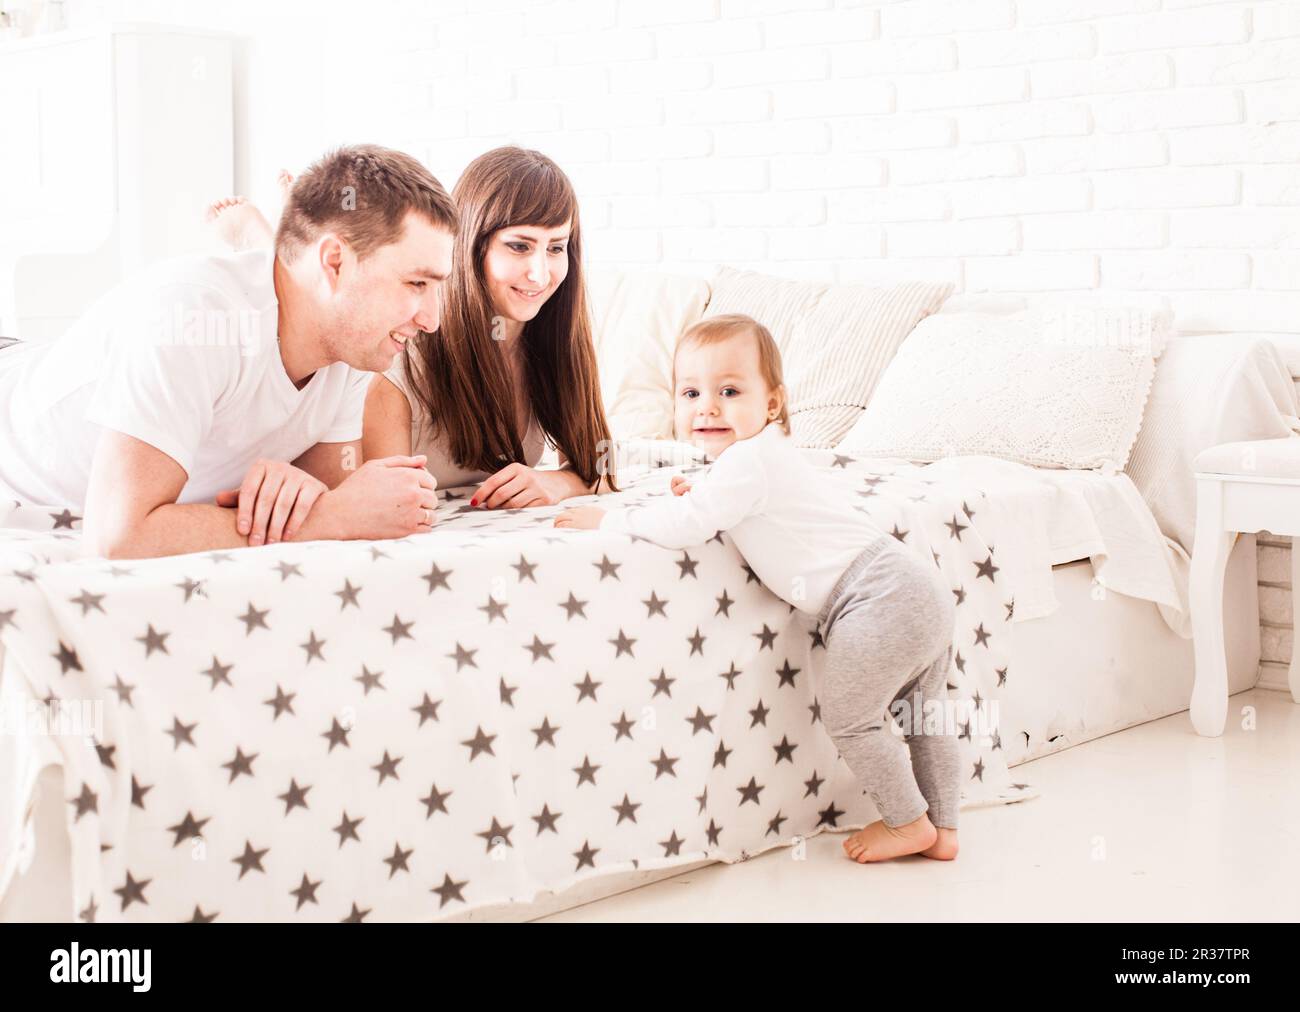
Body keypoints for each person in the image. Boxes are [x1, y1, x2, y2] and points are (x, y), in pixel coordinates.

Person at [555, 314, 961, 863]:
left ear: (772, 404)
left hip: (876, 598)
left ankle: (908, 822)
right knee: (923, 714)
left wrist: (608, 522)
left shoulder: (746, 461)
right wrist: (703, 487)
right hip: (914, 586)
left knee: (853, 718)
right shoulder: (757, 457)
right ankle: (945, 828)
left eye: (729, 391)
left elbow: (689, 525)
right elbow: (746, 500)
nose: (707, 407)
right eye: (691, 392)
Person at [0, 144, 456, 558]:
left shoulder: (356, 347)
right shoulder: (190, 316)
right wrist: (326, 517)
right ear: (334, 262)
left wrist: (315, 502)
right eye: (416, 283)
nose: (431, 320)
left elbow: (321, 495)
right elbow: (118, 537)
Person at [209, 146, 615, 508]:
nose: (540, 274)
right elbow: (395, 508)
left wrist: (558, 482)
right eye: (519, 246)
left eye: (557, 247)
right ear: (470, 247)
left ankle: (275, 238)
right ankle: (269, 242)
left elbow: (602, 463)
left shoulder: (552, 339)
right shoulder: (397, 353)